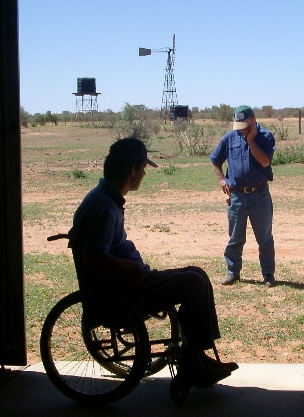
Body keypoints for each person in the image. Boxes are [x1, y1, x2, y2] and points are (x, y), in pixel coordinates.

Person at [69, 137, 238, 388]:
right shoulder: (103, 208)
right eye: (143, 168)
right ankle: (194, 362)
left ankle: (197, 357)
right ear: (133, 170)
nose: (145, 173)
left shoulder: (105, 198)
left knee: (197, 275)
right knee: (193, 282)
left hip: (127, 282)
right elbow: (94, 258)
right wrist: (134, 268)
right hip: (124, 289)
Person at [210, 105, 277, 287]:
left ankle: (268, 274)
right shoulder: (230, 138)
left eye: (245, 126)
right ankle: (233, 271)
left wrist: (252, 139)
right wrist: (222, 180)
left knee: (264, 237)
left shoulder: (265, 136)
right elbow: (215, 159)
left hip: (260, 194)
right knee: (235, 237)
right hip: (237, 195)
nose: (242, 130)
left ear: (253, 120)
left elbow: (264, 162)